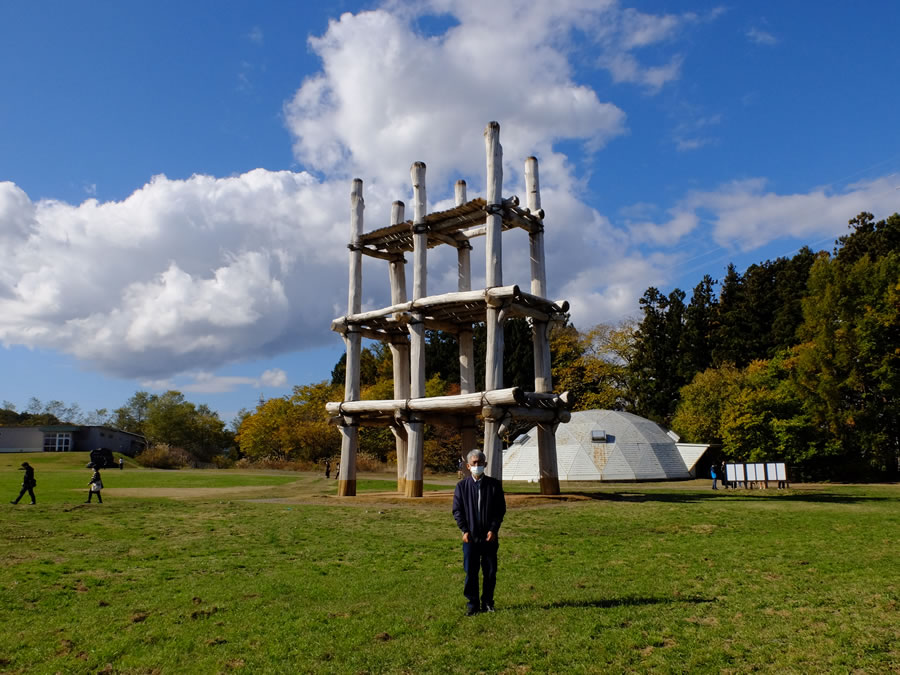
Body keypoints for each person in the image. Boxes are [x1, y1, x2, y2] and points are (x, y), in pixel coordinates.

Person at [452, 449, 506, 616]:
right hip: (470, 537)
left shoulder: (494, 485)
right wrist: (464, 530)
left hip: (489, 536)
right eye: (474, 463)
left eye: (480, 463)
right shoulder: (462, 486)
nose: (477, 465)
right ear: (468, 466)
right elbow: (457, 510)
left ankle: (488, 602)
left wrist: (493, 529)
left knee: (490, 571)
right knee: (471, 571)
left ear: (485, 464)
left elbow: (500, 510)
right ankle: (472, 603)